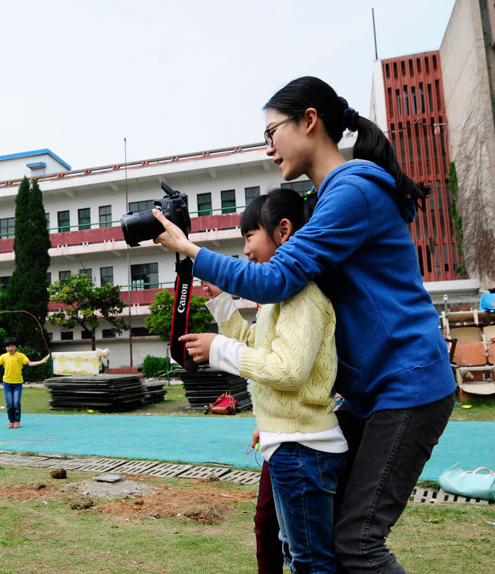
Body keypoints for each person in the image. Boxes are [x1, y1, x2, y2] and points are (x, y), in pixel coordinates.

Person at [153, 76, 456, 573]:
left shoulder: (352, 193)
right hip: (374, 391)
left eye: (272, 132)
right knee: (327, 537)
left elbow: (276, 280)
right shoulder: (328, 199)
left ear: (309, 121)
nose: (269, 147)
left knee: (358, 543)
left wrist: (191, 251)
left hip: (408, 385)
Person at [187, 189, 345, 572]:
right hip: (289, 444)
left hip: (303, 448)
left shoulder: (302, 297)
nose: (246, 250)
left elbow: (287, 370)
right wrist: (222, 302)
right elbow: (253, 345)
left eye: (249, 236)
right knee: (293, 551)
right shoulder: (279, 298)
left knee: (310, 561)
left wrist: (220, 350)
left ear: (283, 231)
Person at [0, 336, 49, 428]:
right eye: (8, 346)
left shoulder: (21, 356)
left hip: (18, 383)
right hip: (7, 383)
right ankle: (11, 421)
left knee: (16, 403)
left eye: (12, 346)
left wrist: (41, 361)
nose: (10, 348)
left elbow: (30, 363)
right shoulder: (3, 356)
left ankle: (17, 420)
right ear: (5, 347)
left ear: (16, 347)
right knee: (10, 404)